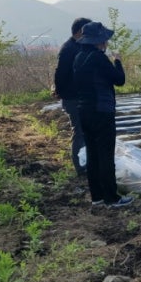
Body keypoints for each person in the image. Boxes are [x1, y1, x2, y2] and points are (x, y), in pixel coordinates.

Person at [73, 21, 133, 208]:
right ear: (99, 41)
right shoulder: (98, 58)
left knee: (93, 155)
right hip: (101, 111)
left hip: (84, 111)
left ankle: (97, 197)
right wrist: (118, 61)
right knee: (106, 155)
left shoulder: (79, 58)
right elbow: (119, 80)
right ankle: (112, 198)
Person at [53, 17, 92, 176]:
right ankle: (81, 167)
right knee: (80, 131)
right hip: (72, 98)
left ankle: (85, 162)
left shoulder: (77, 46)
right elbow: (60, 73)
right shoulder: (69, 49)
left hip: (78, 96)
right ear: (78, 32)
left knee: (84, 130)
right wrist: (60, 92)